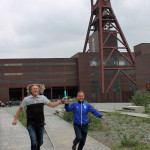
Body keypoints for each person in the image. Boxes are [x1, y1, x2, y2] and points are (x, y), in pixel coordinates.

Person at [12, 84, 65, 150]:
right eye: (34, 88)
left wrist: (61, 101)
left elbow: (52, 105)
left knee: (40, 142)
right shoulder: (26, 99)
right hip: (31, 124)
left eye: (36, 88)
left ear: (39, 90)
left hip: (40, 124)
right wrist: (15, 119)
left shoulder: (42, 98)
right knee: (34, 142)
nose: (35, 89)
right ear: (31, 91)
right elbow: (20, 109)